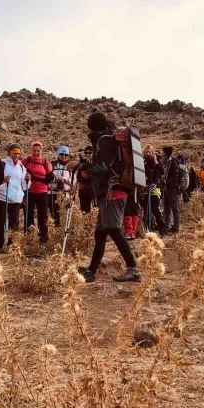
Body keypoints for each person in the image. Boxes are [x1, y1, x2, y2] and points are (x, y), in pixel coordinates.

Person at [79, 112, 140, 283]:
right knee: (100, 233)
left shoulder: (104, 140)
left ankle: (133, 268)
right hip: (114, 191)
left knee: (113, 229)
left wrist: (87, 170)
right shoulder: (108, 138)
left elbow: (104, 167)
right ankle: (91, 271)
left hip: (111, 191)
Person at [0, 143, 28, 252]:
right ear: (9, 153)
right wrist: (3, 180)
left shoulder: (22, 167)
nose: (16, 155)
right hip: (3, 197)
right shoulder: (3, 163)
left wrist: (28, 179)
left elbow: (24, 185)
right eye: (13, 152)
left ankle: (12, 245)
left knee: (14, 222)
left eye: (18, 153)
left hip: (16, 199)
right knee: (0, 221)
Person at [22, 141, 53, 244]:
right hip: (29, 191)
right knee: (28, 215)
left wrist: (50, 177)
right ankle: (29, 238)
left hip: (42, 192)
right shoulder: (25, 161)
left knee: (43, 216)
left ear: (41, 151)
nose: (36, 153)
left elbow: (49, 176)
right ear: (31, 150)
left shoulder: (45, 162)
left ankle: (43, 239)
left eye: (38, 151)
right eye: (34, 150)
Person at [141, 143, 166, 233]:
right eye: (146, 152)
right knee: (146, 209)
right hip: (145, 188)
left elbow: (162, 171)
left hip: (156, 187)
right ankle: (148, 228)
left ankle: (162, 229)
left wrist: (156, 163)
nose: (148, 154)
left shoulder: (157, 161)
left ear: (152, 152)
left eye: (149, 152)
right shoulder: (143, 162)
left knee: (155, 208)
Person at [50, 145, 72, 226]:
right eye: (62, 154)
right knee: (55, 215)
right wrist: (57, 180)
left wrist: (66, 182)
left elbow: (73, 180)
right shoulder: (52, 165)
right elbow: (50, 178)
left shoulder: (70, 166)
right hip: (54, 194)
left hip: (66, 194)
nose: (64, 156)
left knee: (67, 215)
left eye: (66, 155)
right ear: (58, 155)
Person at [162, 146, 181, 233]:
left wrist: (167, 182)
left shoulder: (173, 162)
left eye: (163, 153)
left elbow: (175, 176)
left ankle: (176, 227)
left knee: (174, 207)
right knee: (166, 208)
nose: (162, 155)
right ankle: (167, 226)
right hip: (166, 188)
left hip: (172, 189)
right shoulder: (167, 162)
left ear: (166, 154)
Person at [73, 146, 94, 213]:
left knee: (94, 210)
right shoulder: (82, 163)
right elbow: (77, 176)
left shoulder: (96, 162)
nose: (87, 155)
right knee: (84, 210)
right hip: (83, 190)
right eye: (86, 153)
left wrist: (89, 164)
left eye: (89, 153)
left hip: (93, 190)